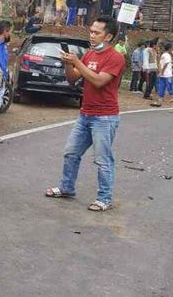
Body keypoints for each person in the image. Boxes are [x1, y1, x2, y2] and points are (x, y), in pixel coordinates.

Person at [45, 16, 124, 211]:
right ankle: (66, 188)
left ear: (109, 36)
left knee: (103, 159)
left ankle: (104, 198)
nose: (92, 35)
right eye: (91, 31)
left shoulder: (115, 57)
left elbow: (98, 81)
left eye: (97, 33)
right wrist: (67, 62)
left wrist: (77, 63)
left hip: (104, 117)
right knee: (71, 153)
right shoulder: (89, 55)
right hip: (85, 114)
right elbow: (73, 79)